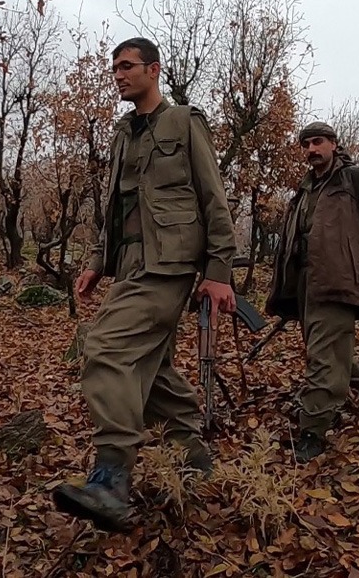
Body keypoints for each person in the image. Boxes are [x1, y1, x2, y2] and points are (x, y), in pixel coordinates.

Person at [52, 37, 237, 532]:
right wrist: (97, 260)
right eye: (114, 67)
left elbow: (213, 199)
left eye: (127, 66)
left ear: (153, 70)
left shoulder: (183, 122)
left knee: (106, 348)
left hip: (170, 265)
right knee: (149, 368)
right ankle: (191, 451)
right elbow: (112, 208)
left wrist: (219, 272)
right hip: (130, 264)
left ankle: (111, 478)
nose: (118, 75)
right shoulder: (121, 134)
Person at [265, 122, 359, 463]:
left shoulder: (353, 179)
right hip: (308, 284)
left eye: (318, 142)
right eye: (307, 144)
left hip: (341, 279)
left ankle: (313, 431)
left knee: (323, 358)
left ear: (333, 144)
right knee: (328, 350)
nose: (312, 149)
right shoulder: (305, 189)